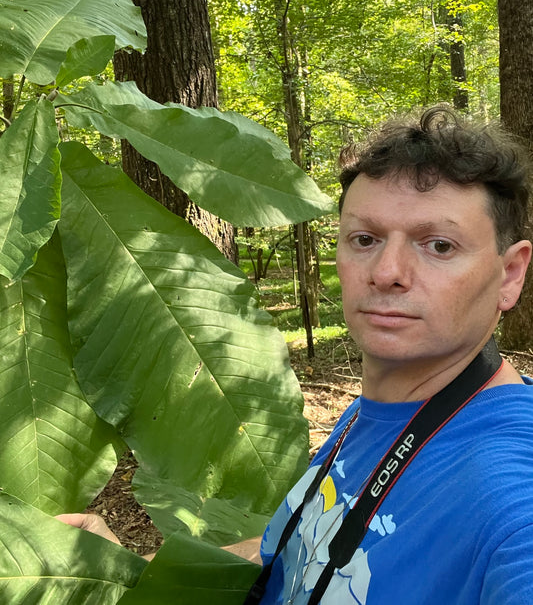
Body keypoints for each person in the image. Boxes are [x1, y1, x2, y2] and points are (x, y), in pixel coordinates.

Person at [59, 105, 533, 604]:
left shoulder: (507, 482)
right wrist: (116, 572)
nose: (387, 271)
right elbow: (296, 550)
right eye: (365, 239)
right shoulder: (376, 414)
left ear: (510, 275)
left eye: (438, 245)